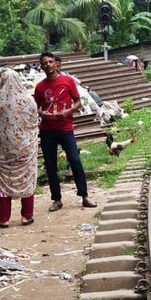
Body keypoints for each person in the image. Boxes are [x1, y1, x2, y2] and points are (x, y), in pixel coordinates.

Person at [34, 52, 95, 211]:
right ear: (41, 67)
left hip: (65, 129)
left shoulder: (68, 81)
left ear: (56, 64)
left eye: (50, 61)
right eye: (44, 63)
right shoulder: (40, 87)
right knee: (50, 165)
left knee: (75, 160)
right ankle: (56, 199)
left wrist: (68, 112)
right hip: (47, 131)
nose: (48, 65)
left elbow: (78, 102)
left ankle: (84, 196)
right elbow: (36, 107)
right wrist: (42, 114)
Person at [0, 70, 38, 228]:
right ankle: (26, 216)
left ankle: (4, 219)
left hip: (4, 151)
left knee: (4, 182)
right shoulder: (29, 100)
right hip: (25, 148)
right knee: (27, 178)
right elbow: (34, 122)